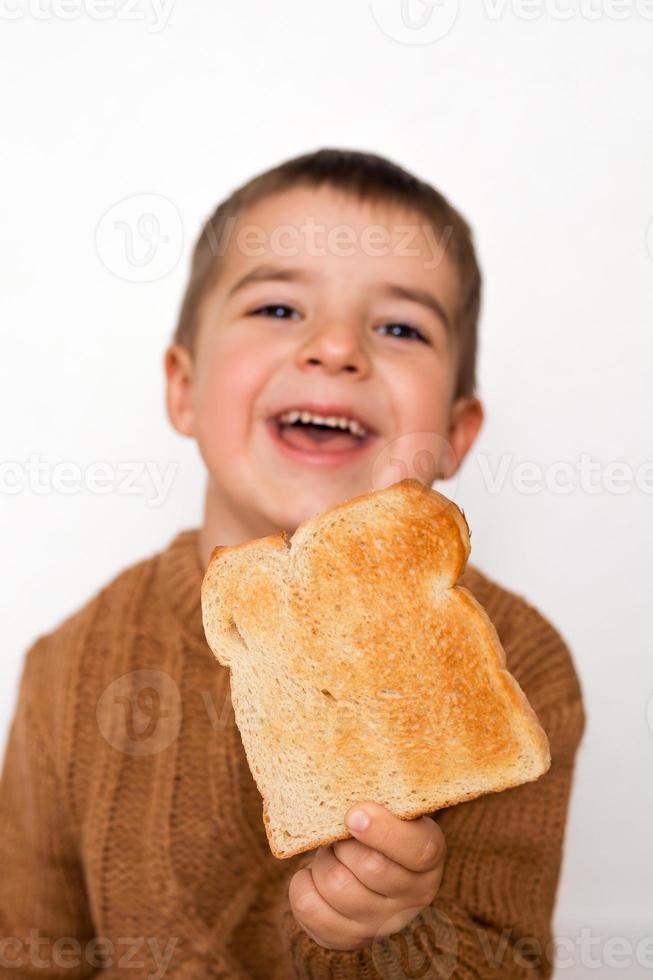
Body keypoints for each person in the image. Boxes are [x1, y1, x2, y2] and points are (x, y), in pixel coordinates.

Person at [0, 148, 585, 978]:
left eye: (399, 328)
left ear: (454, 434)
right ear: (182, 386)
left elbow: (508, 961)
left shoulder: (517, 667)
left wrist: (391, 930)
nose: (336, 347)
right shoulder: (67, 667)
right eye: (278, 307)